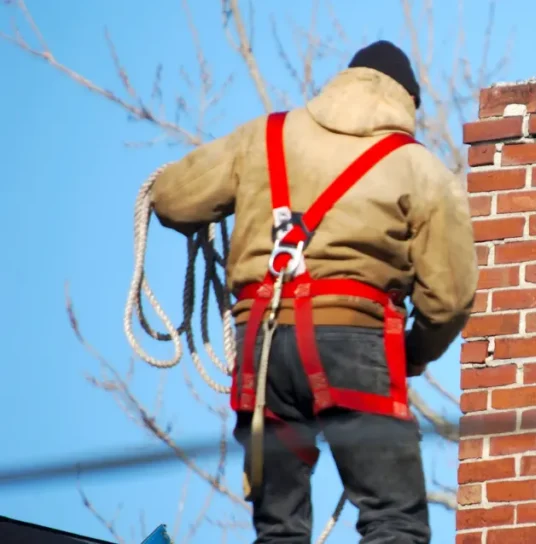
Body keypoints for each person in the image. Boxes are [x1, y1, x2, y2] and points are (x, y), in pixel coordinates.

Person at [148, 40, 478, 544]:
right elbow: (449, 300)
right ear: (408, 103)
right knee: (394, 520)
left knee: (280, 528)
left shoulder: (264, 136)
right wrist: (411, 356)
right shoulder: (420, 168)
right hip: (354, 342)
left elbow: (171, 199)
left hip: (262, 348)